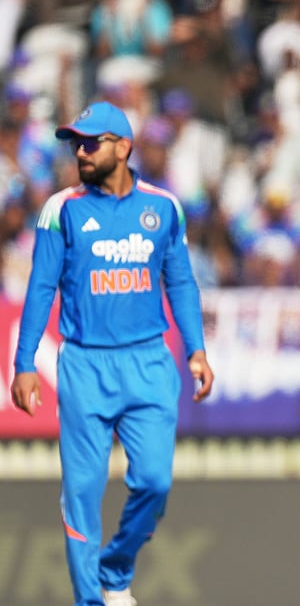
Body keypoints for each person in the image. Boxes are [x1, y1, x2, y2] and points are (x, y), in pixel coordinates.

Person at [10, 101, 215, 606]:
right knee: (81, 494)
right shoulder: (63, 209)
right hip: (83, 365)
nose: (80, 151)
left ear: (123, 147)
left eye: (90, 142)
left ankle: (116, 569)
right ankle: (90, 601)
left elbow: (181, 282)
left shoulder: (163, 207)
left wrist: (197, 351)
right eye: (75, 143)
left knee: (154, 483)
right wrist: (23, 363)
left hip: (148, 362)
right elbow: (40, 288)